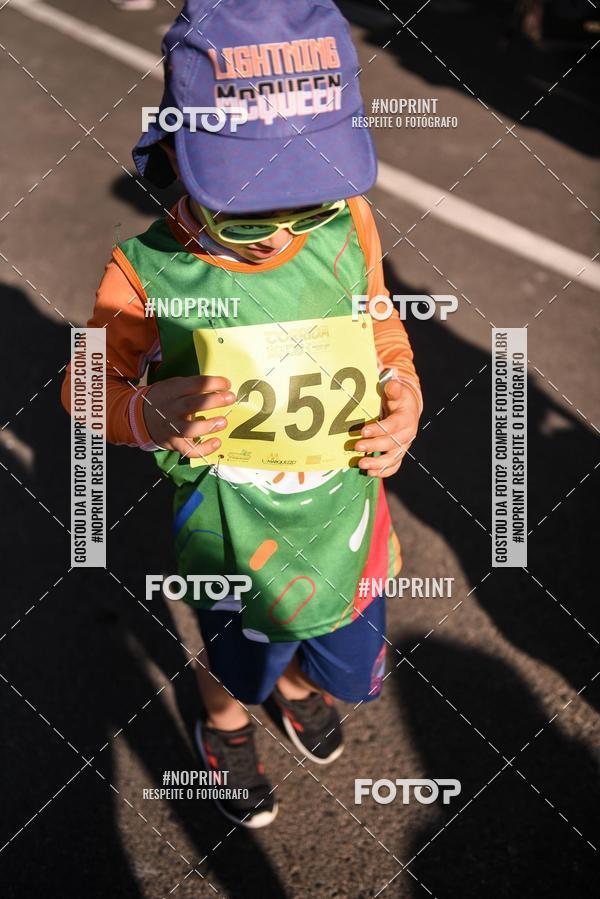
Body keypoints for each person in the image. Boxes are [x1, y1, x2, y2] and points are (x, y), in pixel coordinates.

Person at [61, 0, 422, 829]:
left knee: (336, 655)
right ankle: (224, 720)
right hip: (234, 530)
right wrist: (148, 412)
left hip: (347, 519)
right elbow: (83, 391)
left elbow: (379, 321)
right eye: (251, 207)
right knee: (236, 650)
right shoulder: (146, 268)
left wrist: (404, 392)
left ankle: (297, 685)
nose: (280, 232)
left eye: (309, 196)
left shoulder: (350, 222)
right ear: (182, 153)